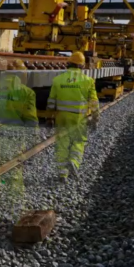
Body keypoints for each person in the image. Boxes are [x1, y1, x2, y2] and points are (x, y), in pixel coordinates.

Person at [0, 59, 39, 223]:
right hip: (13, 140)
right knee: (14, 177)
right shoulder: (26, 93)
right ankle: (15, 214)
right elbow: (31, 121)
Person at [47, 51, 99, 181]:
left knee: (62, 143)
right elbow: (93, 102)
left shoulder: (58, 80)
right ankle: (74, 161)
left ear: (68, 63)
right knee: (78, 141)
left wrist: (49, 117)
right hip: (79, 118)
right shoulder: (88, 81)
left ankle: (62, 173)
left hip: (62, 116)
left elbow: (51, 100)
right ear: (82, 66)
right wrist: (95, 117)